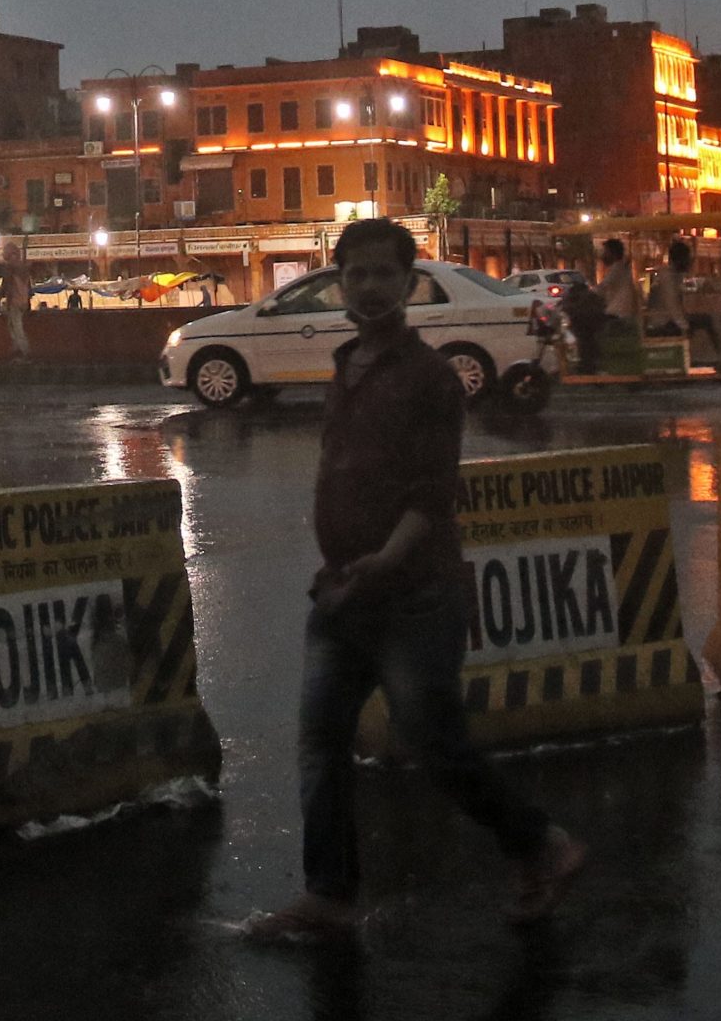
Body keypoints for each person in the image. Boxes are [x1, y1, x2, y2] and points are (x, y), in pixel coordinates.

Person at [245, 217, 584, 939]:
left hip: (414, 595)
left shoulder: (430, 377)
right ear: (340, 282)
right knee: (321, 741)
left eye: (384, 274)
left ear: (408, 284)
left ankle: (541, 845)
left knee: (433, 740)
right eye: (356, 273)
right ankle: (330, 895)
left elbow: (433, 493)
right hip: (342, 591)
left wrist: (388, 560)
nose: (370, 286)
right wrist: (346, 565)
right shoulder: (345, 365)